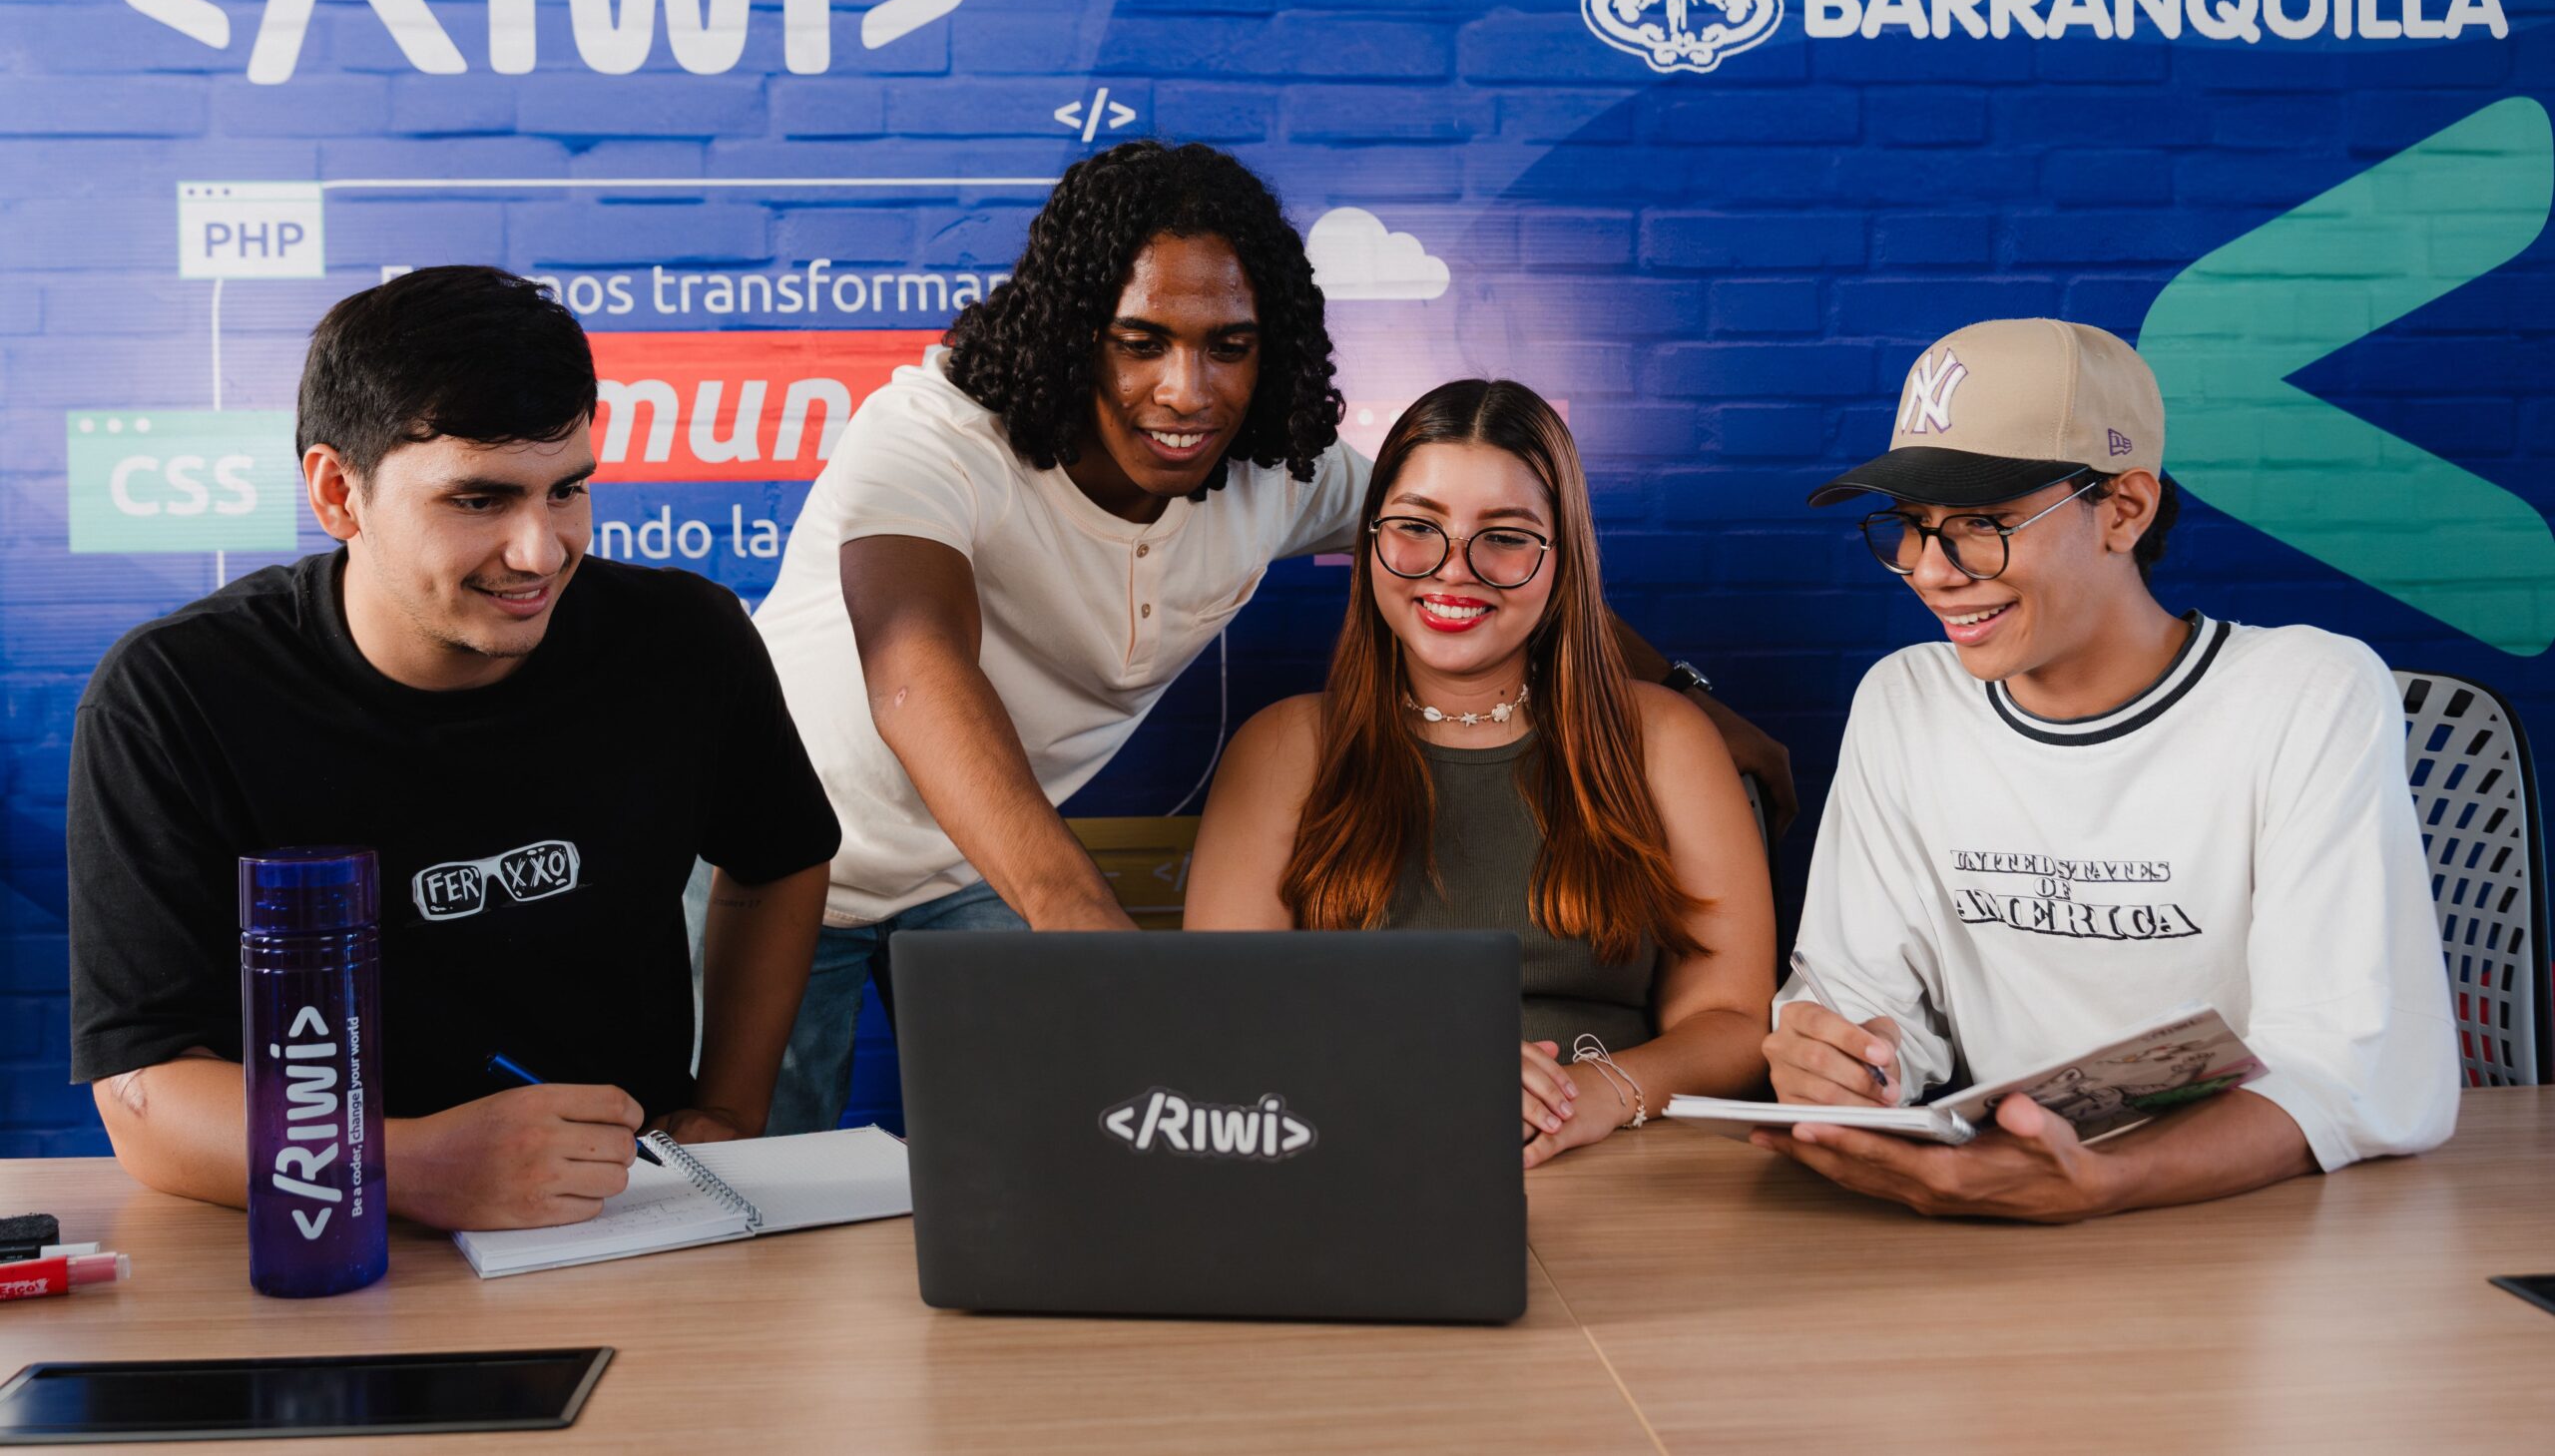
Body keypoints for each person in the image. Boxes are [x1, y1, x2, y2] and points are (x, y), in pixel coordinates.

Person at [752, 140, 1797, 1136]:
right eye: (1140, 340)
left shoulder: (1275, 472)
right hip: (784, 854)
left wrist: (1686, 702)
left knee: (1045, 1168)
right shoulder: (933, 433)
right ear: (1072, 329)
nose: (1186, 390)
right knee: (758, 1176)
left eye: (1229, 347)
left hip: (973, 864)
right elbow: (913, 671)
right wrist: (1078, 916)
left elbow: (1481, 561)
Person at [68, 267, 841, 1231]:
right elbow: (148, 1096)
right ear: (337, 492)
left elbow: (778, 860)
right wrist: (416, 1164)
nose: (541, 550)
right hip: (309, 1234)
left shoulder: (686, 638)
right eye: (479, 500)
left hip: (615, 1220)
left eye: (568, 489)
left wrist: (730, 1105)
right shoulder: (174, 694)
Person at [1758, 317, 2458, 1220]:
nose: (1932, 571)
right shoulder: (1906, 700)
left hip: (2261, 1221)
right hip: (1987, 1217)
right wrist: (1846, 1057)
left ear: (2125, 508)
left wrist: (2095, 1183)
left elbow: (2342, 1070)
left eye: (1981, 524)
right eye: (1910, 527)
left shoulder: (2307, 694)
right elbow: (1870, 1007)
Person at [1183, 380, 1775, 1167]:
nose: (1454, 570)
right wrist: (1430, 1062)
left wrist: (1598, 1093)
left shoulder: (1664, 738)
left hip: (1623, 1165)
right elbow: (1227, 1018)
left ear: (1563, 558)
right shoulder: (1285, 746)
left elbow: (1734, 1018)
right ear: (1370, 541)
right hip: (1358, 1159)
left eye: (1506, 535)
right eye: (1417, 527)